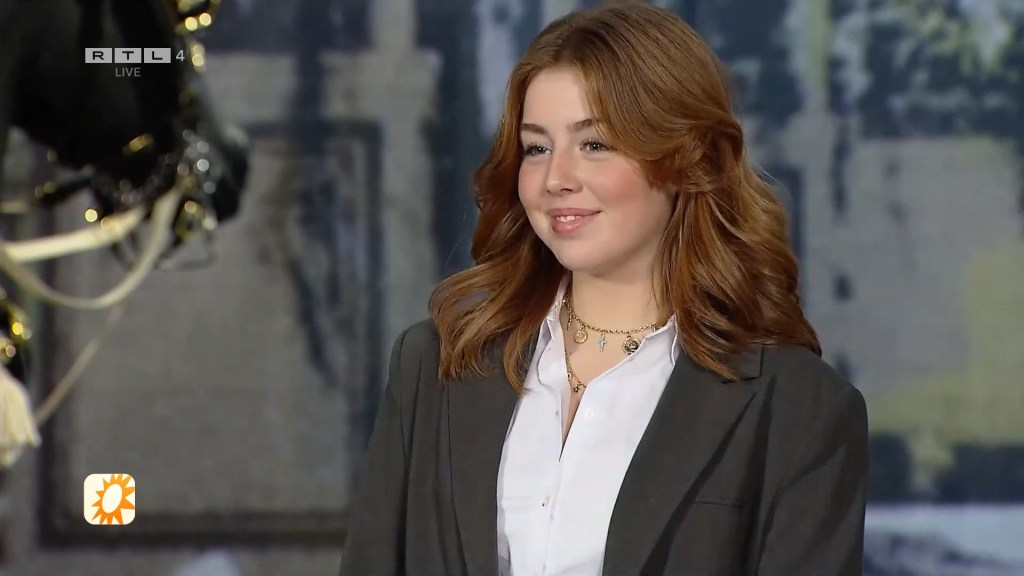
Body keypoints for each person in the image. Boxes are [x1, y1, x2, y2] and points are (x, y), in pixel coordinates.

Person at [339, 4, 869, 576]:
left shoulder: (800, 409)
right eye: (537, 148)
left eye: (594, 144)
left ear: (684, 158)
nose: (555, 179)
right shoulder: (436, 366)